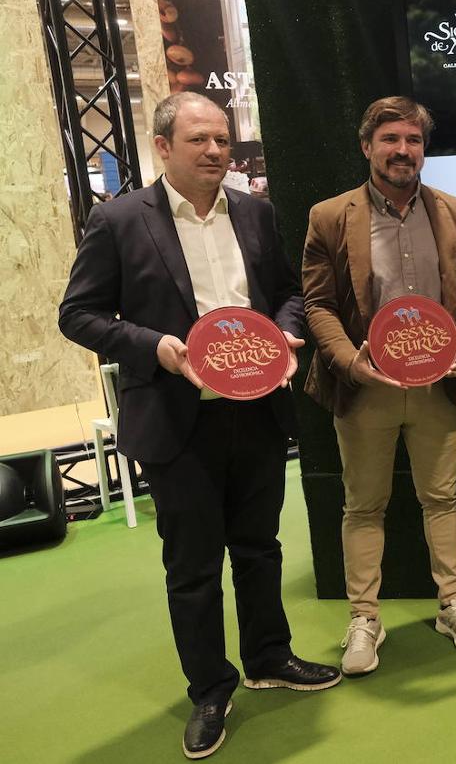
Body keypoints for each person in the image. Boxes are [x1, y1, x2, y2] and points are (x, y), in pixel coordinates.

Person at [59, 92, 340, 760]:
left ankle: (270, 657)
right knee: (191, 568)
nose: (216, 152)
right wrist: (154, 346)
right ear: (163, 147)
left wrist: (287, 334)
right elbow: (78, 315)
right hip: (175, 420)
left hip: (257, 413)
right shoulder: (120, 220)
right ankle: (210, 689)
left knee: (260, 547)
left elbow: (288, 296)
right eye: (199, 141)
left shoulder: (256, 212)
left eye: (222, 140)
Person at [301, 97, 456, 676]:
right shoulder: (331, 216)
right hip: (366, 387)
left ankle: (453, 603)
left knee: (443, 498)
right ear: (367, 147)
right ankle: (364, 619)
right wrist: (348, 363)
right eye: (390, 140)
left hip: (438, 386)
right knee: (364, 505)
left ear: (423, 148)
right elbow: (317, 304)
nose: (402, 150)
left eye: (412, 140)